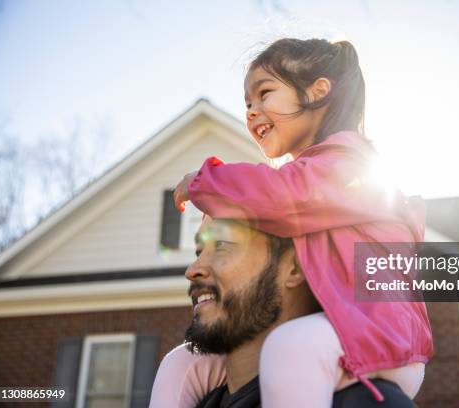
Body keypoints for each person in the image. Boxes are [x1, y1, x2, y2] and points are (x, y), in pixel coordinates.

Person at [171, 38, 433, 408]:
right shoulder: (314, 174)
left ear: (317, 92)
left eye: (264, 94)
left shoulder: (349, 165)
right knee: (183, 363)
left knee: (288, 346)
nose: (251, 110)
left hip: (379, 337)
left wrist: (205, 183)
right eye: (247, 103)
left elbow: (284, 195)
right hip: (336, 331)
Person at [150, 216, 417, 407]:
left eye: (221, 245)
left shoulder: (365, 402)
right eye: (198, 250)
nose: (193, 269)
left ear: (294, 268)